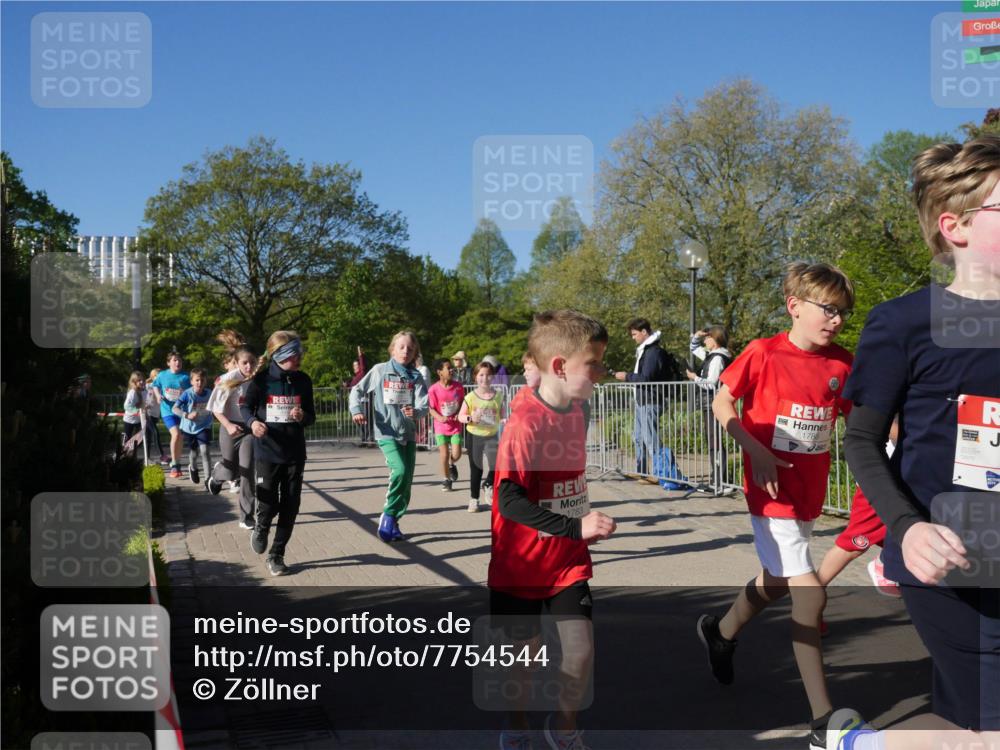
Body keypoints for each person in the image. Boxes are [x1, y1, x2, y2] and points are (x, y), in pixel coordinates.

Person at [832, 136, 1000, 750]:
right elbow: (863, 441)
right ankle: (857, 744)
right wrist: (907, 527)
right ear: (955, 226)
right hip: (949, 557)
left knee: (970, 728)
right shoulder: (905, 323)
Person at [697, 262, 862, 749]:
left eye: (843, 313)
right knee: (810, 594)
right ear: (795, 306)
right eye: (827, 309)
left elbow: (865, 422)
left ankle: (721, 632)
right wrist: (755, 449)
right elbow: (722, 403)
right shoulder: (763, 352)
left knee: (776, 581)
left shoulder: (843, 364)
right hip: (768, 493)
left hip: (807, 492)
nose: (836, 320)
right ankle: (822, 721)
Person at [490, 310, 616, 750]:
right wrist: (575, 525)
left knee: (580, 652)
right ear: (561, 366)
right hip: (519, 565)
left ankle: (563, 729)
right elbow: (508, 500)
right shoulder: (524, 424)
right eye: (594, 363)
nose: (602, 372)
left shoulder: (577, 410)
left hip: (566, 561)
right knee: (521, 661)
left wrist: (573, 529)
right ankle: (517, 727)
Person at [240, 331, 315, 577]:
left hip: (294, 453)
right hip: (267, 452)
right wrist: (252, 423)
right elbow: (245, 406)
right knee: (268, 501)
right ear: (280, 354)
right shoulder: (261, 381)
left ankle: (277, 554)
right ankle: (261, 527)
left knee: (291, 505)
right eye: (296, 352)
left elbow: (311, 416)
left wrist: (302, 416)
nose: (300, 356)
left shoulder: (303, 380)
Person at [349, 331, 429, 542]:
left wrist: (416, 411)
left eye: (410, 349)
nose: (405, 351)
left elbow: (424, 404)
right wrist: (356, 409)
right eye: (401, 347)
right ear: (392, 349)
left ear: (415, 354)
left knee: (407, 481)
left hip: (408, 434)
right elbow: (356, 390)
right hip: (386, 432)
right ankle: (388, 514)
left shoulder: (416, 376)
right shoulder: (380, 370)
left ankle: (394, 521)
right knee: (399, 470)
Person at [613, 318, 675, 477]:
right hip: (643, 400)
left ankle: (661, 472)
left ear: (644, 332)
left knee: (650, 439)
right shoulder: (646, 350)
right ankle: (642, 472)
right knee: (638, 437)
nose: (633, 337)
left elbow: (646, 378)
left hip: (651, 400)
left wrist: (626, 376)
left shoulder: (653, 352)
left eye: (634, 334)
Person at [206, 343, 258, 530]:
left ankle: (246, 516)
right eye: (244, 363)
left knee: (247, 471)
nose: (248, 367)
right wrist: (228, 425)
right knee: (230, 471)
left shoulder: (258, 379)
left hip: (249, 430)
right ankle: (217, 475)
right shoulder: (228, 379)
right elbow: (215, 409)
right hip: (229, 428)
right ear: (236, 363)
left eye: (252, 363)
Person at [687, 325, 733, 487]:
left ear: (715, 339)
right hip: (710, 403)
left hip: (713, 403)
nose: (705, 341)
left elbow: (711, 383)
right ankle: (719, 476)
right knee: (713, 440)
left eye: (707, 338)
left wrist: (695, 378)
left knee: (714, 440)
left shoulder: (717, 358)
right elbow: (694, 348)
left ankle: (721, 478)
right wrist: (697, 337)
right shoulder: (712, 355)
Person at [458, 360, 503, 512]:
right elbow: (460, 417)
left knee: (496, 465)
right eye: (481, 375)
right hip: (474, 435)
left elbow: (501, 415)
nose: (485, 378)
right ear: (475, 377)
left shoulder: (498, 396)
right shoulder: (470, 397)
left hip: (492, 434)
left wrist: (504, 420)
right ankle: (474, 499)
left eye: (489, 375)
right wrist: (471, 418)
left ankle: (488, 484)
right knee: (476, 468)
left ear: (493, 377)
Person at [427, 357, 464, 492]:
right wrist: (439, 417)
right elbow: (431, 409)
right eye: (448, 368)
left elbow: (462, 404)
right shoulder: (433, 389)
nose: (451, 369)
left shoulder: (458, 387)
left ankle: (451, 464)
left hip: (455, 426)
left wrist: (459, 413)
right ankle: (446, 480)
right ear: (440, 372)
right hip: (441, 427)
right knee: (444, 454)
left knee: (457, 454)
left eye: (451, 367)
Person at [152, 351, 191, 479]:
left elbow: (193, 390)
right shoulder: (162, 375)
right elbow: (155, 386)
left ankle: (177, 462)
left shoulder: (186, 376)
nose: (177, 362)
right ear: (168, 363)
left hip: (181, 411)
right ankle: (174, 464)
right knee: (176, 434)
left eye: (179, 360)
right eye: (174, 360)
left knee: (180, 438)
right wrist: (158, 396)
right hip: (167, 410)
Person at [173, 368, 214, 485]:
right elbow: (174, 408)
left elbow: (215, 405)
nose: (199, 383)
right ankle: (193, 468)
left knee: (205, 451)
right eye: (197, 380)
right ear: (191, 381)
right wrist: (186, 415)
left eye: (202, 380)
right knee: (194, 453)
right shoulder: (187, 394)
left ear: (205, 381)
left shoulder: (210, 393)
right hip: (190, 428)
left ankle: (208, 479)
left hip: (204, 425)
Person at [144, 369, 168, 465]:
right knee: (155, 433)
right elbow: (149, 399)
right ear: (153, 377)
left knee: (148, 436)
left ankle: (147, 458)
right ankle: (162, 456)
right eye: (158, 376)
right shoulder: (150, 386)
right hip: (148, 414)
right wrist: (147, 405)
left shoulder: (161, 386)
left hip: (155, 414)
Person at [122, 370, 147, 457]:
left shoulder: (144, 391)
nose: (142, 382)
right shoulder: (132, 392)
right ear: (134, 382)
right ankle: (124, 455)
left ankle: (133, 456)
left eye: (143, 380)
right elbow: (126, 406)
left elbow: (145, 403)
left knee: (139, 440)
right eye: (139, 381)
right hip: (129, 420)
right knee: (127, 439)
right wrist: (136, 411)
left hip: (139, 420)